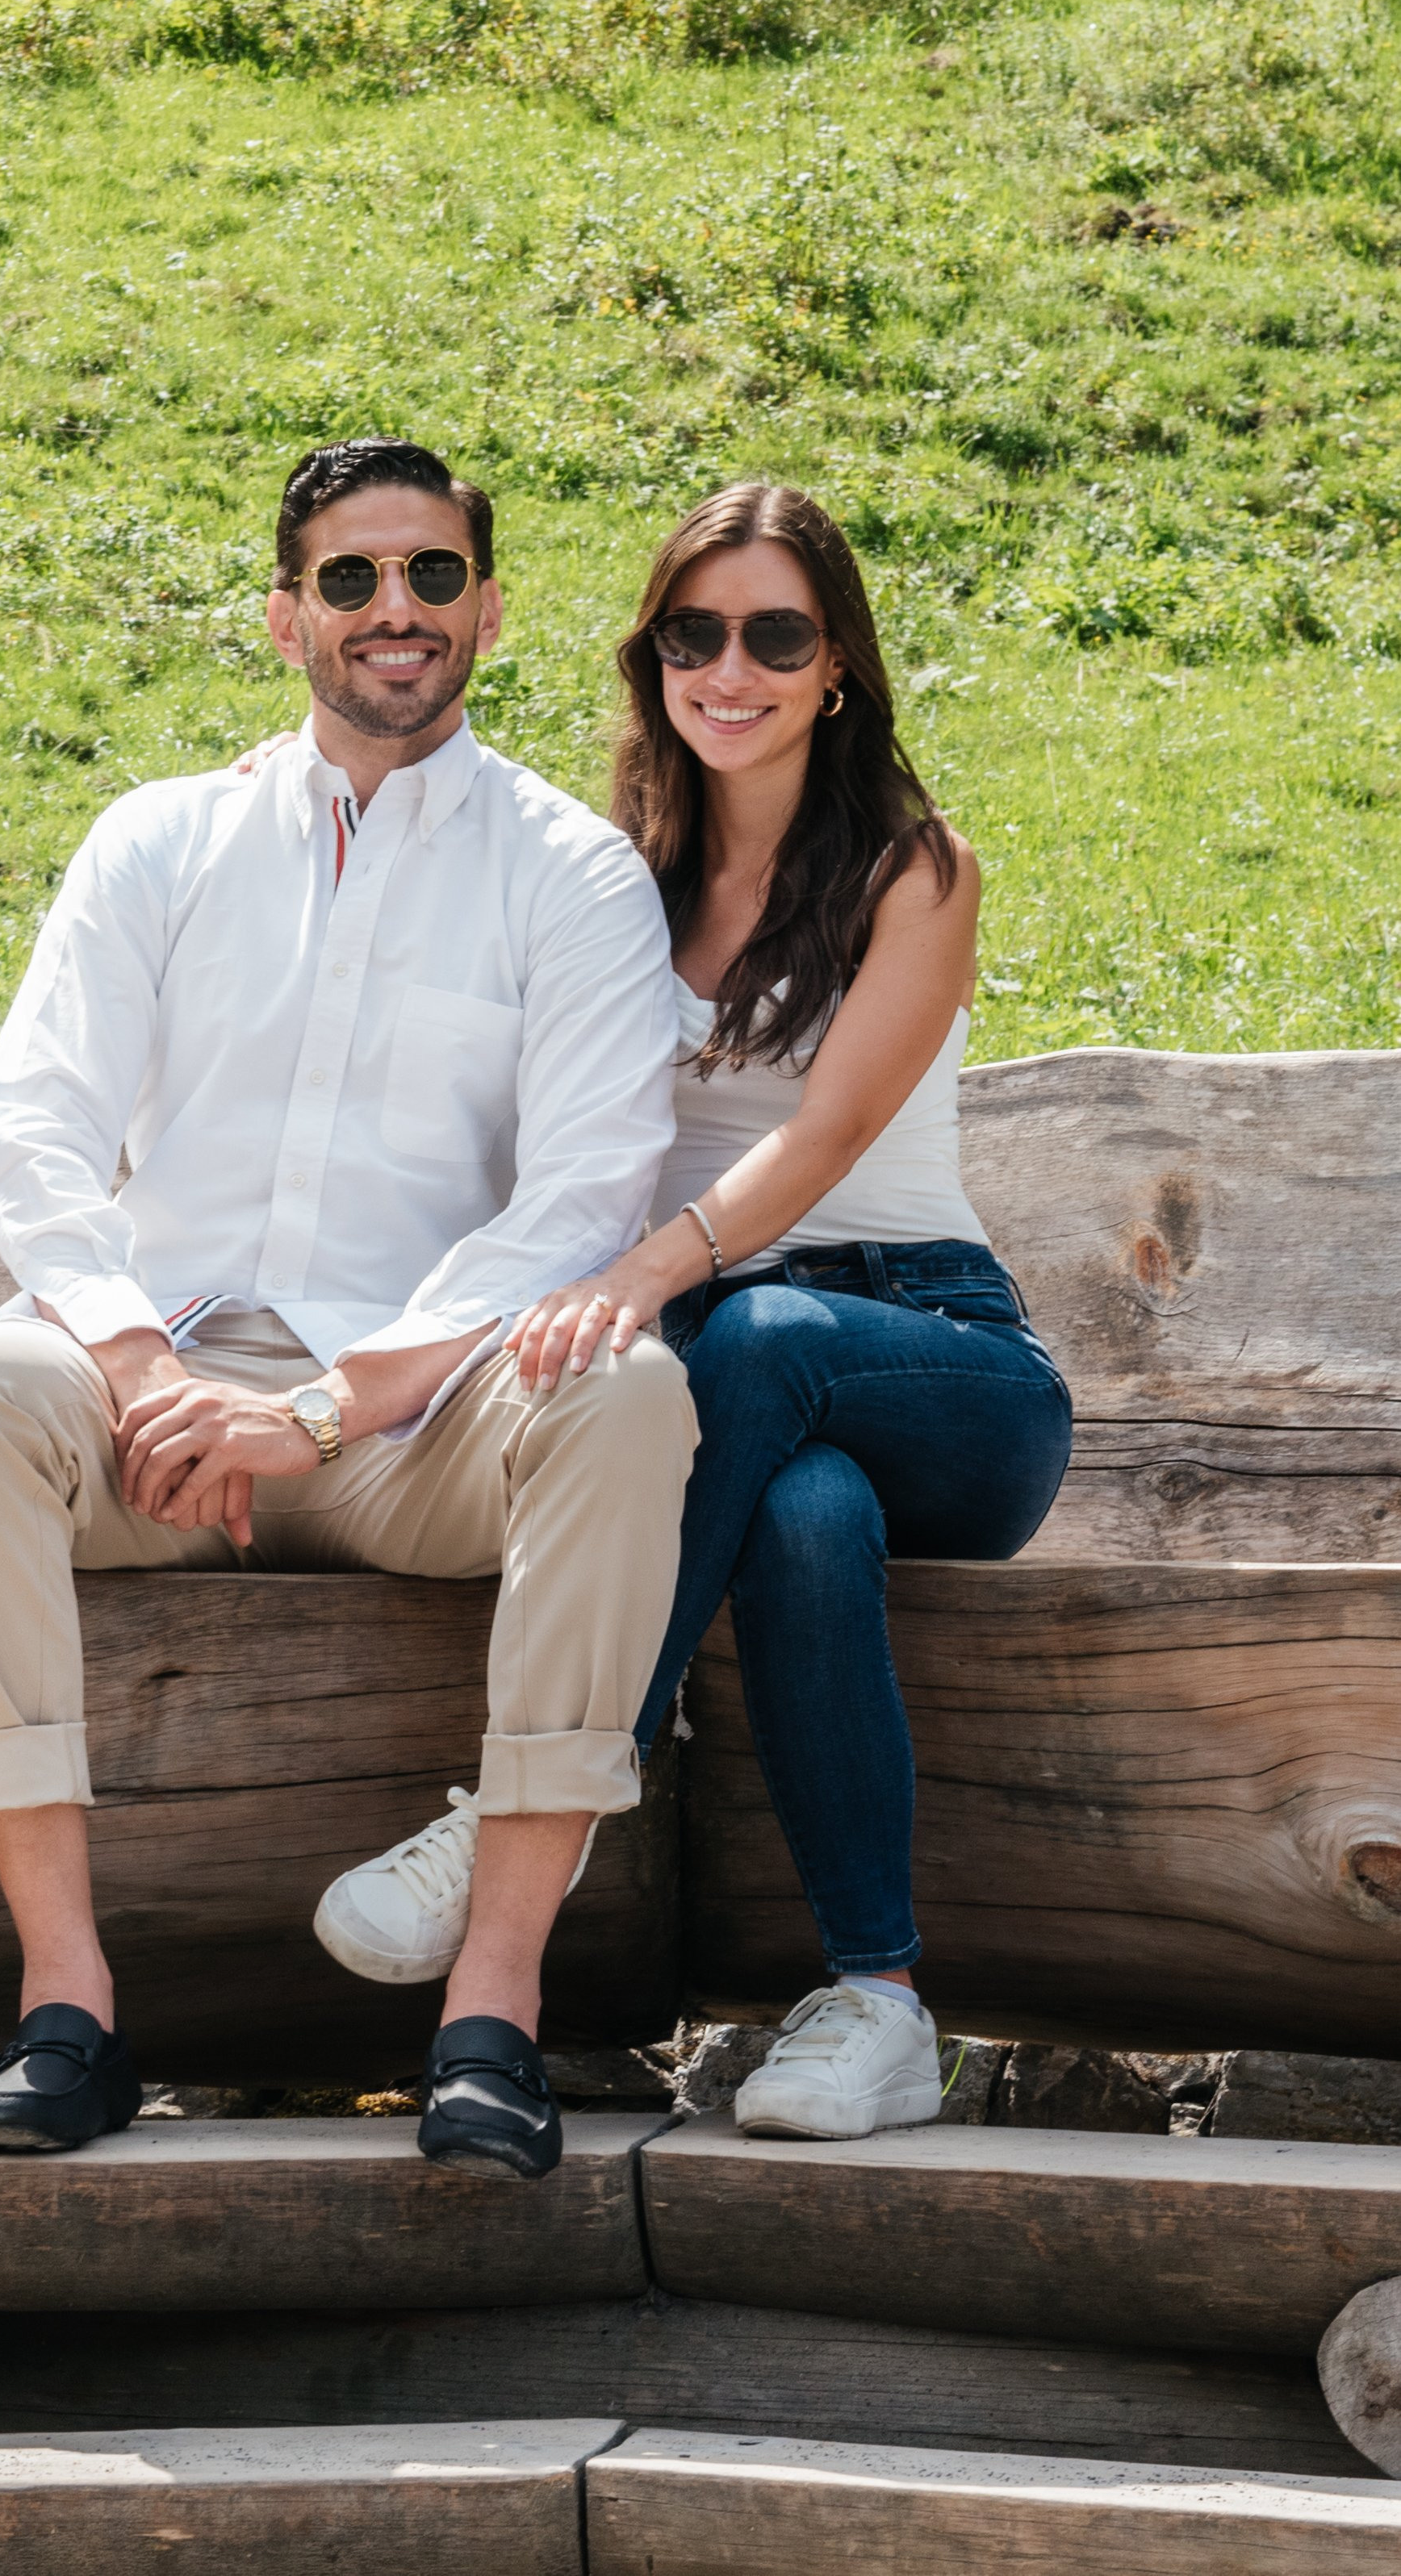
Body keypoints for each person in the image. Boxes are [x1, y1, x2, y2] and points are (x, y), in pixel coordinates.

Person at [0, 436, 696, 2182]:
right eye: (350, 577)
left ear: (484, 607)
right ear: (283, 618)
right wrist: (132, 1358)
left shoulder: (567, 873)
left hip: (413, 1430)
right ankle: (68, 2009)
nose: (392, 609)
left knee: (630, 1399)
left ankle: (487, 2014)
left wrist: (326, 1407)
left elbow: (578, 1195)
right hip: (155, 1404)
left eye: (429, 575)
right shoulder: (158, 840)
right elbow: (34, 1121)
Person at [510, 482, 1073, 2143]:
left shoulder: (913, 867)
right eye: (694, 631)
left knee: (759, 1345)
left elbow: (824, 1142)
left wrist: (635, 1278)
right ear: (652, 657)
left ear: (834, 664)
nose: (729, 666)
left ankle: (552, 1779)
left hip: (937, 1357)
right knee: (803, 1511)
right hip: (739, 1389)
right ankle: (880, 2002)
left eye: (774, 632)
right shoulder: (609, 878)